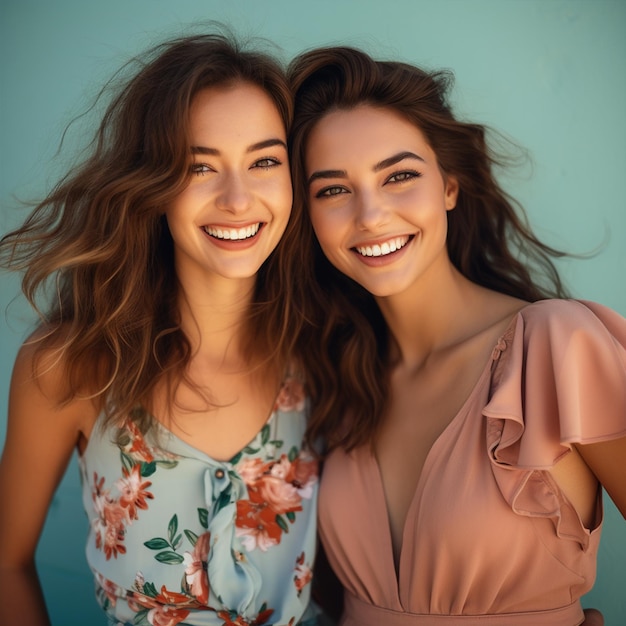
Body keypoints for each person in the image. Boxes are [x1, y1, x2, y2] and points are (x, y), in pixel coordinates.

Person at [288, 46, 626, 625]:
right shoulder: (334, 376)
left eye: (399, 176)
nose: (370, 214)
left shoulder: (555, 347)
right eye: (333, 189)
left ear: (449, 186)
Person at [0, 33, 320, 626]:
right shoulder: (70, 363)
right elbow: (5, 563)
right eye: (200, 166)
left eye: (264, 161)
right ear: (153, 183)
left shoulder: (320, 350)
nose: (237, 197)